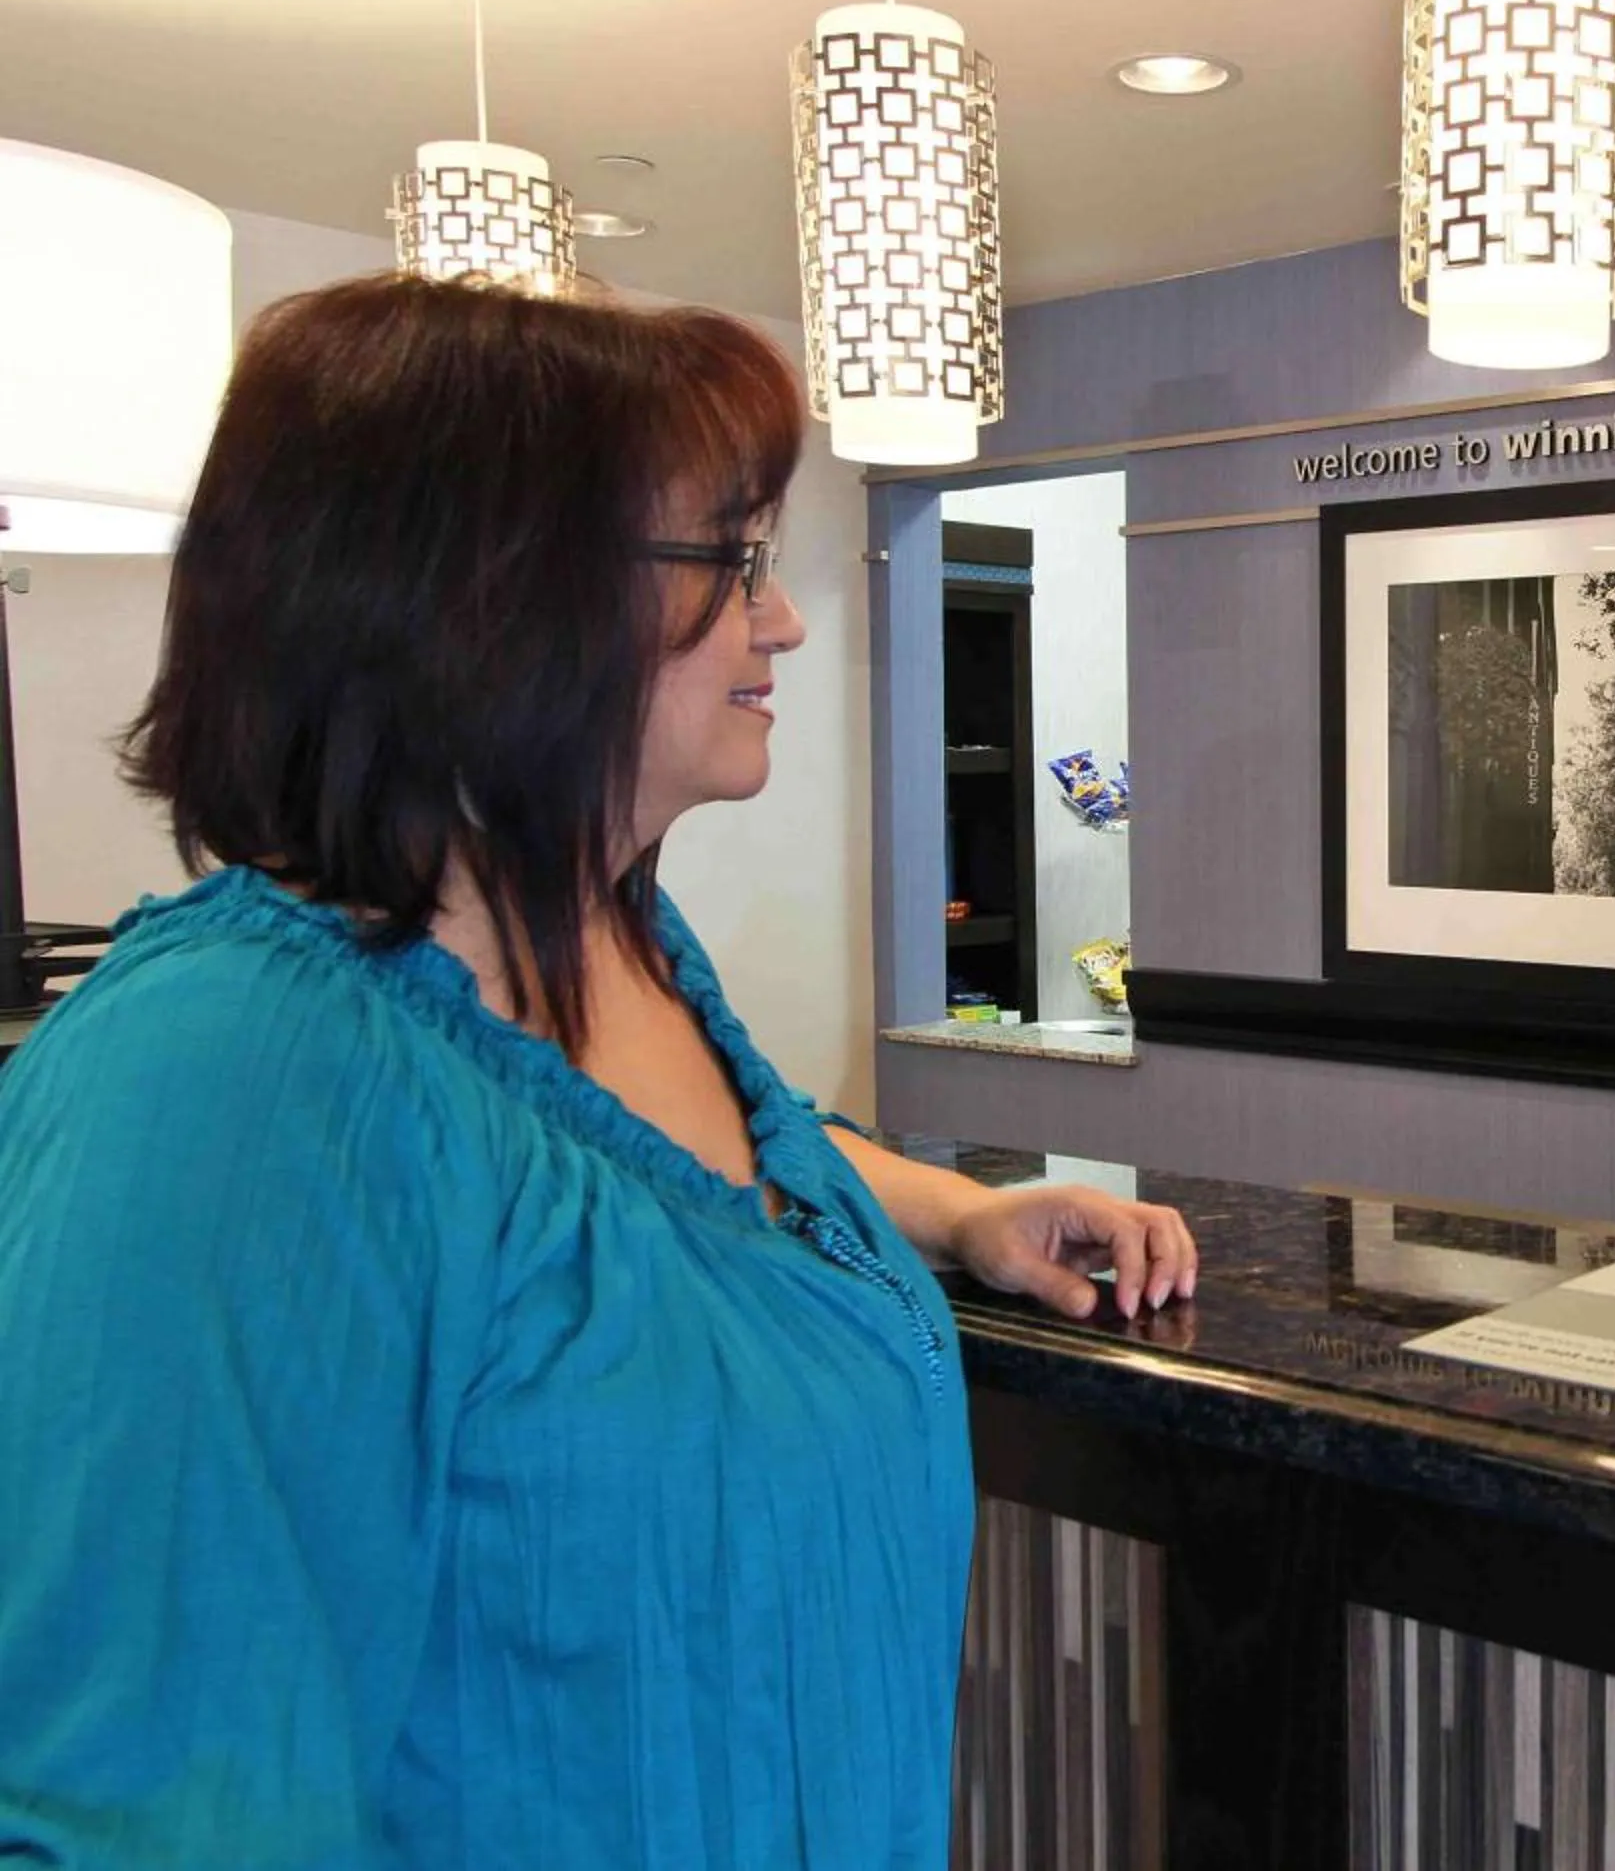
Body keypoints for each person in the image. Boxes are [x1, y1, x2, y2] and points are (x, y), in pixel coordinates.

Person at [0, 274, 1198, 1868]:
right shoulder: (228, 1074)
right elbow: (140, 1805)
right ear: (487, 591)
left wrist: (948, 1213)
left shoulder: (621, 934)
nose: (782, 617)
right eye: (733, 559)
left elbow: (678, 1172)